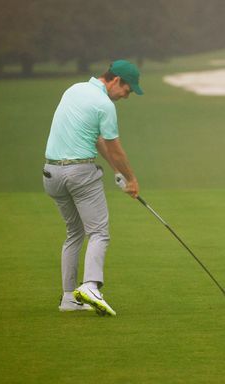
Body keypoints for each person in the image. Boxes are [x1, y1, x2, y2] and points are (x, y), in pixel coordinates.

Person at [43, 60, 142, 316]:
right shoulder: (104, 104)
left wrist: (117, 172)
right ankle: (90, 286)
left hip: (51, 174)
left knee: (74, 233)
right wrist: (131, 179)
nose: (125, 96)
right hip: (79, 173)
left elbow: (97, 139)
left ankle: (68, 298)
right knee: (99, 233)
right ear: (116, 80)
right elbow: (115, 146)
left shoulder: (74, 89)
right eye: (127, 90)